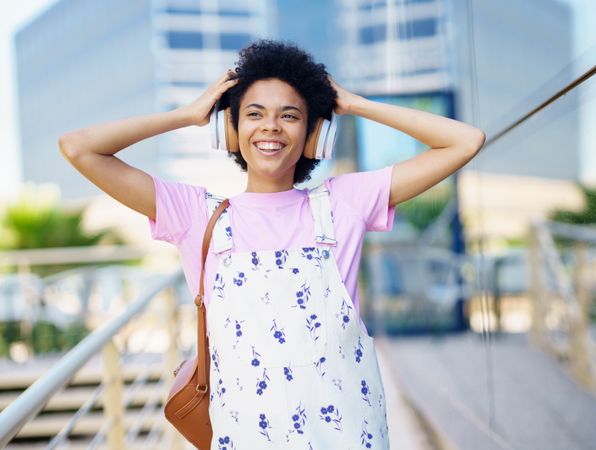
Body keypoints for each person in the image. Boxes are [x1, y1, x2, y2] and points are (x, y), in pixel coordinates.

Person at [59, 39, 485, 450]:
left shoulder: (345, 203)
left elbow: (465, 140)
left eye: (290, 116)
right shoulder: (196, 214)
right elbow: (78, 148)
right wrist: (188, 115)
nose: (270, 127)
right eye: (254, 114)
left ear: (314, 134)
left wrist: (356, 104)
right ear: (231, 129)